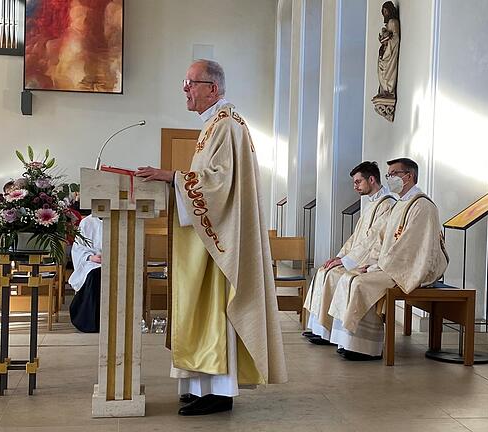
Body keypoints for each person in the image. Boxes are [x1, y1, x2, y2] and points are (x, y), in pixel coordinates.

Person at [135, 59, 287, 416]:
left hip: (222, 241)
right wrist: (176, 179)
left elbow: (219, 184)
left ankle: (219, 393)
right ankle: (200, 386)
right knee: (200, 311)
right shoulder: (214, 125)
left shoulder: (228, 124)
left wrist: (173, 176)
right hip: (207, 238)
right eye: (185, 82)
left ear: (213, 88)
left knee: (214, 311)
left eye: (191, 82)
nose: (185, 88)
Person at [327, 158, 448, 360]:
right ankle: (348, 341)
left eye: (394, 174)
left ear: (409, 176)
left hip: (412, 268)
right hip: (392, 264)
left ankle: (366, 347)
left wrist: (378, 267)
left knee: (360, 283)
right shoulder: (401, 204)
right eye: (388, 175)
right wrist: (370, 263)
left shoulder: (422, 206)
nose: (389, 178)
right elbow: (380, 239)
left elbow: (409, 247)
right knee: (350, 277)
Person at [302, 161, 395, 347]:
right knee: (325, 271)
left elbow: (374, 239)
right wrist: (339, 258)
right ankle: (323, 330)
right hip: (359, 257)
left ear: (371, 179)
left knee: (346, 279)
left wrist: (348, 261)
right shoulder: (372, 203)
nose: (355, 186)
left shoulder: (387, 204)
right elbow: (356, 237)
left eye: (358, 182)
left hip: (373, 261)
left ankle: (355, 342)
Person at [68, 214, 103, 333]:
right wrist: (91, 257)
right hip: (91, 262)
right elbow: (78, 248)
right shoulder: (87, 222)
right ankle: (90, 321)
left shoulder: (121, 220)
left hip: (116, 262)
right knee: (94, 275)